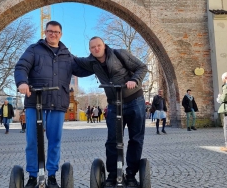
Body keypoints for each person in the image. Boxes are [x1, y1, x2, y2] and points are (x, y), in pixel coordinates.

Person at [14, 20, 92, 188]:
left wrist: (99, 62)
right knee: (32, 140)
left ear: (61, 34)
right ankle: (33, 176)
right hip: (35, 101)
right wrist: (22, 82)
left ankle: (51, 175)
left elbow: (82, 68)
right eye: (50, 31)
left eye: (56, 32)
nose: (53, 34)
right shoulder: (34, 49)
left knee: (55, 140)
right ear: (45, 32)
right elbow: (21, 66)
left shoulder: (67, 54)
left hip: (57, 102)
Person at [75, 36, 147, 187]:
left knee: (135, 139)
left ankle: (131, 175)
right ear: (90, 50)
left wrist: (134, 80)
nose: (96, 49)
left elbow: (142, 67)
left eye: (98, 45)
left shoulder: (120, 54)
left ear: (104, 45)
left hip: (134, 100)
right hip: (114, 104)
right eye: (93, 47)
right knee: (112, 141)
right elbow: (73, 61)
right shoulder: (91, 62)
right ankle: (113, 174)